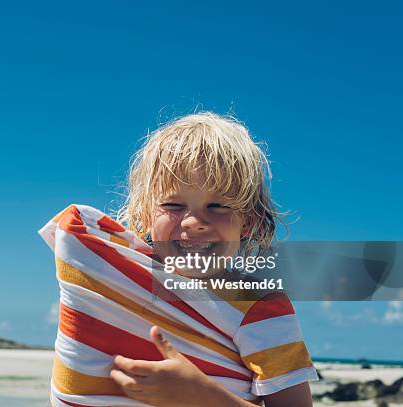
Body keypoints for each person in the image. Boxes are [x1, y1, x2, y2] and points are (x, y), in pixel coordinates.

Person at [108, 112, 317, 406]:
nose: (194, 221)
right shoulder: (121, 284)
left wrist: (203, 398)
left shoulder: (260, 308)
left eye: (218, 205)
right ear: (144, 215)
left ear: (248, 220)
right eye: (173, 204)